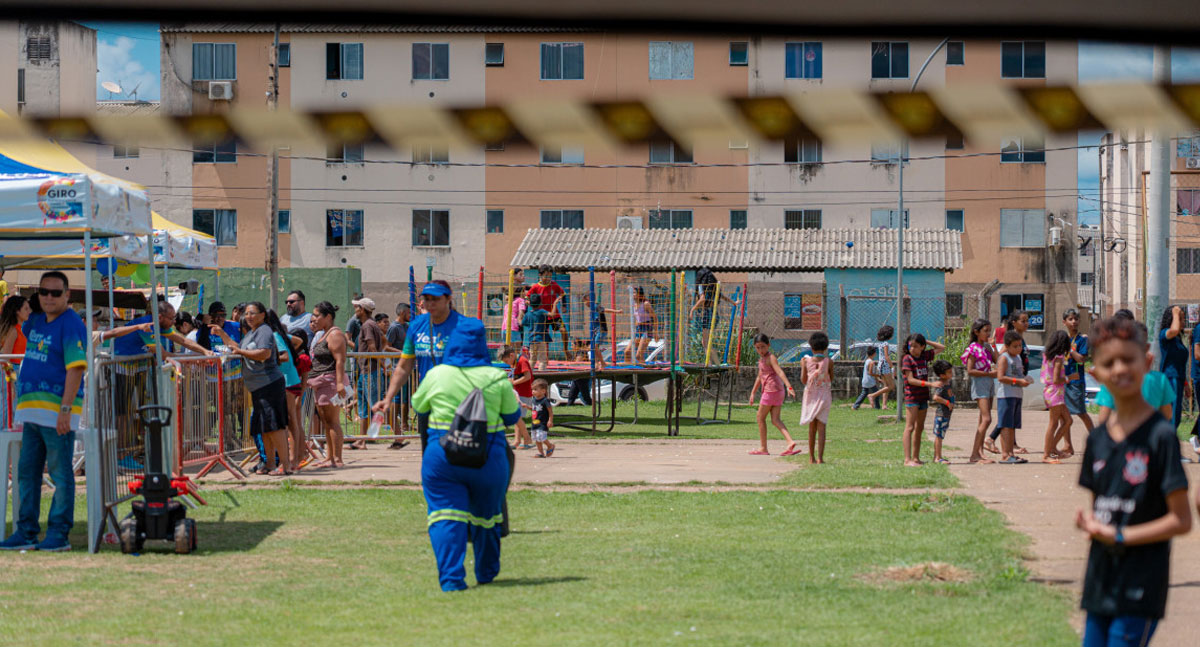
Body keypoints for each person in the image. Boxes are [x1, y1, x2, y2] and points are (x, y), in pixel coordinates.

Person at [1075, 316, 1192, 647]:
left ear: (1148, 362)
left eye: (1128, 359)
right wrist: (1093, 525)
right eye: (1109, 362)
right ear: (1095, 372)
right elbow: (1102, 509)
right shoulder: (1096, 441)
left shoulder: (1160, 437)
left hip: (1141, 582)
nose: (1119, 369)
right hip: (1100, 579)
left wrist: (1121, 535)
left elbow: (1181, 520)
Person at [411, 318, 521, 591]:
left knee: (445, 515)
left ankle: (451, 581)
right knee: (487, 516)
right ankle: (486, 572)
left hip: (442, 457)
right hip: (488, 457)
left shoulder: (437, 374)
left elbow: (418, 406)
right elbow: (512, 417)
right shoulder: (496, 377)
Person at [0, 271, 86, 552]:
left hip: (57, 413)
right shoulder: (35, 320)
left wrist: (65, 409)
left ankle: (58, 534)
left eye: (56, 292)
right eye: (44, 292)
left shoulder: (72, 324)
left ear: (67, 295)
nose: (49, 297)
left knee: (61, 475)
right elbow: (18, 315)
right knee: (27, 474)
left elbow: (75, 368)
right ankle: (25, 531)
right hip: (30, 412)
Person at [373, 281, 467, 439]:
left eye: (435, 299)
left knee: (454, 451)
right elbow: (403, 367)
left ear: (448, 299)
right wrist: (388, 398)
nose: (430, 303)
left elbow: (478, 368)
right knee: (430, 451)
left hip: (454, 398)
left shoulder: (467, 327)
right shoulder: (416, 326)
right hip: (427, 397)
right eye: (427, 299)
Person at [211, 302, 291, 476]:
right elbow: (237, 347)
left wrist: (241, 353)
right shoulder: (251, 333)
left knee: (275, 427)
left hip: (269, 384)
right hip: (258, 387)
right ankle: (270, 463)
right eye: (246, 313)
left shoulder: (264, 330)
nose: (248, 316)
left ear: (263, 315)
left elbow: (264, 353)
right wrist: (222, 334)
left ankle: (285, 465)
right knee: (264, 428)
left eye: (252, 313)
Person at [308, 301, 351, 469]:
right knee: (326, 422)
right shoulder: (324, 334)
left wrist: (340, 384)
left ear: (328, 317)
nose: (314, 318)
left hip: (332, 383)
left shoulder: (335, 334)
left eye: (317, 315)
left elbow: (340, 360)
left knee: (333, 421)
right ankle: (329, 457)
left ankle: (337, 459)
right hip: (323, 383)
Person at [986, 311, 1031, 455]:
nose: (1026, 323)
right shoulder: (1010, 340)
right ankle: (996, 442)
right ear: (1014, 323)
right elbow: (1001, 358)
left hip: (1018, 385)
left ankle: (1010, 445)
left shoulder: (1020, 340)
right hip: (1010, 386)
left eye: (1027, 320)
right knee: (1007, 418)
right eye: (1022, 321)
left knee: (1010, 418)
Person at [747, 333, 799, 456]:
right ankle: (790, 441)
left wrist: (789, 386)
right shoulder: (762, 360)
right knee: (775, 419)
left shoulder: (771, 358)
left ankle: (763, 448)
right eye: (758, 347)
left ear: (768, 345)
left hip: (772, 391)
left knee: (760, 417)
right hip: (777, 392)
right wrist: (753, 393)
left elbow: (780, 372)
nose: (760, 350)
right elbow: (760, 376)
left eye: (763, 347)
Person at [266, 310, 303, 471]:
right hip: (292, 380)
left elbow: (284, 356)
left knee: (289, 422)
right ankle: (295, 459)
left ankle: (292, 460)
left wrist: (267, 358)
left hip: (286, 382)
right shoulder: (280, 335)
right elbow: (299, 341)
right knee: (293, 421)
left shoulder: (274, 336)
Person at [901, 333, 946, 467]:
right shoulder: (907, 359)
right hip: (912, 397)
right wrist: (930, 384)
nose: (912, 349)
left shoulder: (924, 356)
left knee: (919, 428)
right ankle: (907, 459)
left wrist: (926, 341)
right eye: (911, 346)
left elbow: (942, 347)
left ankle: (916, 458)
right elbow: (910, 380)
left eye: (916, 346)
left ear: (922, 347)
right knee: (909, 427)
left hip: (922, 398)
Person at [114, 300, 211, 357]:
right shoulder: (146, 326)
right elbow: (162, 354)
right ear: (160, 317)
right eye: (171, 318)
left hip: (137, 366)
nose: (174, 321)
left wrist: (205, 351)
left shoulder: (162, 325)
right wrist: (186, 360)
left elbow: (183, 341)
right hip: (121, 365)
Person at [350, 297, 386, 449]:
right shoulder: (370, 324)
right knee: (363, 407)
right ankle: (361, 440)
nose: (355, 310)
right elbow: (384, 341)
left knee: (375, 406)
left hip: (370, 371)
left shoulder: (367, 326)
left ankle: (396, 435)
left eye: (357, 307)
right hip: (365, 370)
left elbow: (372, 348)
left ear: (363, 310)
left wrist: (382, 364)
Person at [995, 330, 1034, 464]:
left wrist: (1025, 380)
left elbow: (1018, 375)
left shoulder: (1017, 358)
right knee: (1005, 425)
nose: (1019, 349)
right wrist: (1018, 381)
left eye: (1020, 346)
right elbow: (1000, 377)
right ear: (1007, 346)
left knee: (1012, 426)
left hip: (1017, 395)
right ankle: (1005, 454)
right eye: (1015, 346)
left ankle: (1011, 453)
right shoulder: (1004, 358)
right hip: (1006, 396)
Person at [962, 318, 996, 464]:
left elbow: (998, 361)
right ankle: (974, 454)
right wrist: (988, 374)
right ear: (976, 332)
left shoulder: (987, 347)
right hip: (981, 382)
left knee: (982, 419)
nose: (988, 333)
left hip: (989, 383)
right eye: (985, 331)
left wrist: (993, 347)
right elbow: (970, 370)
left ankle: (979, 451)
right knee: (987, 418)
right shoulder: (973, 348)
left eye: (989, 330)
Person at [1063, 309, 1095, 457]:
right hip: (1063, 380)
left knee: (1081, 412)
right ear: (1064, 322)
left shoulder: (1082, 339)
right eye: (1070, 319)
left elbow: (1081, 359)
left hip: (1076, 381)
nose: (1073, 321)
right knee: (1064, 415)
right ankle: (1067, 445)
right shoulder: (1062, 338)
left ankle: (1097, 441)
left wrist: (1068, 348)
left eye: (1076, 319)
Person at [799, 331, 834, 464]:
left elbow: (804, 380)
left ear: (811, 347)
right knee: (822, 427)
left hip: (810, 396)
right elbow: (831, 378)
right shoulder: (829, 362)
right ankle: (820, 458)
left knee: (811, 427)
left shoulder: (806, 362)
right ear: (826, 348)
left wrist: (803, 367)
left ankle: (811, 458)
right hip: (824, 395)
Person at [1040, 330, 1072, 465]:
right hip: (1055, 392)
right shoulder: (1058, 358)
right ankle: (1047, 454)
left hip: (1050, 392)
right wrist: (1069, 378)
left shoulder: (1047, 355)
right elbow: (1057, 379)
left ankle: (1052, 448)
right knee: (1053, 424)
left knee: (1068, 421)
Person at [526, 265, 568, 360]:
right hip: (542, 317)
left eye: (550, 276)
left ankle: (566, 350)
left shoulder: (554, 285)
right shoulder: (536, 287)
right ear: (540, 275)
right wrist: (529, 303)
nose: (548, 278)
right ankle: (545, 358)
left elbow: (563, 294)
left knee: (564, 330)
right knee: (544, 339)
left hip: (554, 315)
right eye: (546, 276)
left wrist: (564, 305)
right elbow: (527, 297)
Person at [1157, 305, 1188, 433]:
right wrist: (1175, 312)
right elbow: (1174, 330)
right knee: (1172, 416)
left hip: (1178, 380)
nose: (1183, 322)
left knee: (1176, 416)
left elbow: (1179, 363)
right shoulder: (1165, 334)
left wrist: (1186, 383)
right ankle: (1169, 450)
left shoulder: (1177, 340)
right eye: (1181, 319)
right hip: (1170, 379)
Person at [285, 327, 312, 470]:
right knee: (296, 424)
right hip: (295, 393)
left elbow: (304, 380)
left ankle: (301, 454)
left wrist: (299, 397)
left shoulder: (303, 358)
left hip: (298, 394)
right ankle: (300, 453)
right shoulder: (297, 356)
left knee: (296, 425)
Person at [386, 302, 412, 447]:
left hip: (409, 367)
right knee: (397, 397)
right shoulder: (394, 327)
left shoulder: (407, 327)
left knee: (406, 397)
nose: (410, 315)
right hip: (397, 367)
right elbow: (386, 346)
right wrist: (401, 353)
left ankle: (405, 422)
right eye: (408, 313)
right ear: (402, 313)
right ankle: (396, 424)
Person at [499, 345, 534, 450]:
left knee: (518, 417)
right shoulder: (514, 363)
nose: (506, 364)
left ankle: (526, 440)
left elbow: (527, 376)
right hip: (518, 393)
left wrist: (513, 382)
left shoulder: (522, 361)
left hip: (524, 393)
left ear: (511, 355)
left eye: (506, 361)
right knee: (517, 418)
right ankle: (518, 440)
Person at [930, 360, 955, 465]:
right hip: (942, 414)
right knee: (939, 436)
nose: (951, 373)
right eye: (949, 372)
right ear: (942, 375)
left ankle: (937, 456)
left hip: (946, 414)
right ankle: (938, 457)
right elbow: (935, 397)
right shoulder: (942, 385)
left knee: (940, 435)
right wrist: (947, 402)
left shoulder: (947, 383)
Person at [627, 286, 656, 365]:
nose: (632, 294)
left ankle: (644, 371)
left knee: (639, 354)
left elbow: (654, 317)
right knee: (629, 352)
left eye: (634, 293)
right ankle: (629, 369)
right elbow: (637, 318)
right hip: (638, 329)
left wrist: (656, 333)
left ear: (639, 294)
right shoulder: (634, 304)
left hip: (647, 328)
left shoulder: (645, 304)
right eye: (632, 293)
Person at [868, 325, 895, 409]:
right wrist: (892, 366)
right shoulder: (886, 344)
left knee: (886, 386)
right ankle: (872, 395)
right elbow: (887, 357)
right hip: (885, 366)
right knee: (891, 386)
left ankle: (884, 405)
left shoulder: (881, 344)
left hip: (880, 366)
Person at [521, 293, 550, 371]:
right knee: (542, 359)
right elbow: (552, 315)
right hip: (541, 339)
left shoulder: (528, 314)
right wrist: (554, 305)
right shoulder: (541, 311)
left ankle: (529, 373)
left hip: (532, 340)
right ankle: (541, 374)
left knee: (532, 358)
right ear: (540, 303)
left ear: (530, 303)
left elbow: (523, 323)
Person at [528, 378, 556, 458]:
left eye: (535, 389)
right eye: (532, 389)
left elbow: (550, 412)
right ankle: (541, 453)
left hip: (542, 423)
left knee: (541, 437)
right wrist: (528, 407)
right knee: (536, 439)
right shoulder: (534, 400)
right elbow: (535, 409)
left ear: (543, 391)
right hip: (535, 423)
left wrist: (550, 421)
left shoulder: (545, 401)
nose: (533, 391)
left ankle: (550, 446)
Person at [852, 345, 880, 410]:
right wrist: (877, 375)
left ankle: (855, 406)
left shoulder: (867, 361)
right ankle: (877, 407)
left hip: (865, 380)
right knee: (876, 393)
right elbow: (870, 372)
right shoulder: (871, 362)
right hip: (870, 381)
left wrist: (877, 378)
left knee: (864, 394)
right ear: (874, 353)